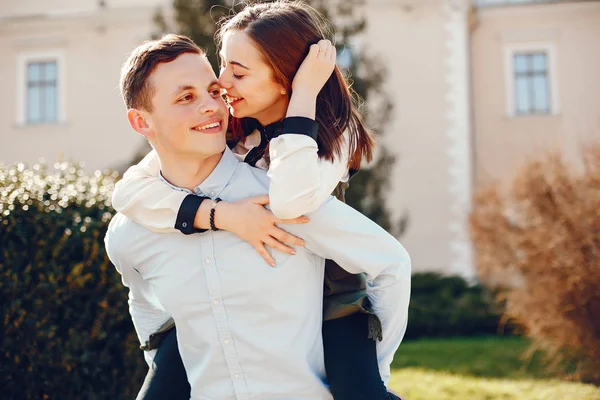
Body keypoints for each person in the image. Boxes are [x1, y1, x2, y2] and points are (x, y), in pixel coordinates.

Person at [111, 2, 404, 399]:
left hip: (335, 294)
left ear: (284, 79)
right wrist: (219, 215)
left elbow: (287, 202)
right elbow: (129, 190)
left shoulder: (336, 135)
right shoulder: (232, 127)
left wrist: (303, 96)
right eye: (224, 67)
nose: (223, 86)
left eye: (237, 73)